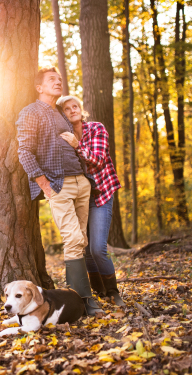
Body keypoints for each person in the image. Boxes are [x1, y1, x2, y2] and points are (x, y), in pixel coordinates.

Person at [16, 67, 103, 316]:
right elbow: (24, 151)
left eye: (60, 79)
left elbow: (75, 146)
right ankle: (84, 300)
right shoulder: (30, 112)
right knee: (73, 239)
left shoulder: (60, 114)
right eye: (52, 80)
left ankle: (78, 298)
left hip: (81, 183)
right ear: (39, 87)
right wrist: (44, 185)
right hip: (58, 185)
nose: (58, 82)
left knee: (82, 241)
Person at [57, 95, 125, 306]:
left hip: (102, 193)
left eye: (75, 106)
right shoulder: (61, 136)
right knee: (84, 248)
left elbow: (98, 160)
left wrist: (77, 146)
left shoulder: (96, 128)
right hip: (80, 196)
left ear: (81, 109)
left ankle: (113, 292)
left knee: (97, 249)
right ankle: (99, 290)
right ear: (63, 115)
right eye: (67, 109)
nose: (73, 110)